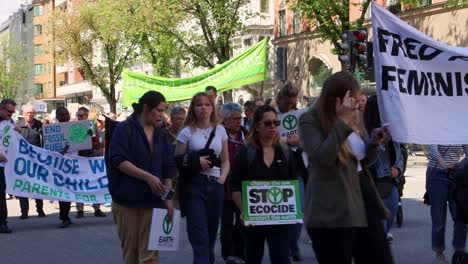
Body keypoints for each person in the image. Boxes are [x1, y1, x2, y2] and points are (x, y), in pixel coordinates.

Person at [299, 71, 393, 263]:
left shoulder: (354, 117)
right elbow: (322, 158)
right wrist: (342, 122)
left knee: (380, 257)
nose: (358, 105)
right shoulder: (310, 120)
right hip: (332, 205)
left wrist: (374, 143)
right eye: (354, 100)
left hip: (362, 196)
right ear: (339, 98)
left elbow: (361, 161)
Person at [108, 91, 176, 264]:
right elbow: (118, 160)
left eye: (163, 111)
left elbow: (168, 166)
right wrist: (147, 177)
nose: (162, 115)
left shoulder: (161, 133)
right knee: (131, 255)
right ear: (146, 108)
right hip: (127, 201)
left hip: (154, 201)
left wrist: (168, 199)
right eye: (159, 110)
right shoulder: (125, 128)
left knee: (150, 256)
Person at [231, 105, 296, 264]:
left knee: (281, 259)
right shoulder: (246, 154)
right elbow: (235, 187)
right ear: (257, 126)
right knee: (253, 258)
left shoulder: (286, 152)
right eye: (267, 123)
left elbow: (293, 185)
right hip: (253, 221)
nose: (273, 127)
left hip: (279, 221)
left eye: (276, 123)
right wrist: (244, 211)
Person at [174, 92, 229, 264]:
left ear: (212, 108)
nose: (203, 107)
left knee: (211, 233)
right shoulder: (186, 132)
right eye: (199, 104)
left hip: (215, 185)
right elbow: (176, 162)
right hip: (194, 186)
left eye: (207, 104)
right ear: (193, 108)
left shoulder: (220, 130)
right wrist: (194, 161)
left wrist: (222, 179)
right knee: (199, 235)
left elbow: (226, 160)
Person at [364, 95, 404, 241]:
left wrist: (398, 169)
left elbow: (400, 153)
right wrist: (378, 142)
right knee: (376, 232)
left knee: (388, 220)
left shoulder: (392, 130)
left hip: (389, 183)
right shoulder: (363, 132)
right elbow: (366, 159)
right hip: (371, 183)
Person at [275, 82, 307, 261]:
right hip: (277, 171)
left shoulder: (301, 115)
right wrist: (281, 141)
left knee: (298, 212)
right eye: (287, 103)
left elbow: (310, 139)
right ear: (279, 99)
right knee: (283, 213)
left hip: (297, 171)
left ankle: (292, 245)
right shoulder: (270, 116)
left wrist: (299, 141)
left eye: (293, 103)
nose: (291, 107)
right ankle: (286, 248)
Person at [426, 144, 468, 264]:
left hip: (456, 173)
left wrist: (460, 165)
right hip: (437, 174)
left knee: (461, 215)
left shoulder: (460, 130)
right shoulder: (436, 127)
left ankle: (459, 252)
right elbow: (432, 150)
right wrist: (445, 165)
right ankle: (439, 253)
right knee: (439, 217)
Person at [220, 103, 247, 263]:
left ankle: (241, 252)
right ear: (225, 120)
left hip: (243, 187)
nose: (239, 122)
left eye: (240, 118)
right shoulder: (218, 135)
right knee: (227, 223)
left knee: (242, 221)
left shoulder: (246, 135)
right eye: (235, 119)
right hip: (225, 187)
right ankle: (228, 254)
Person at [75, 107, 106, 218]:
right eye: (78, 115)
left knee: (94, 184)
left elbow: (97, 145)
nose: (79, 117)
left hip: (91, 158)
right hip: (78, 158)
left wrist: (91, 136)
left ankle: (97, 208)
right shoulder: (72, 127)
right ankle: (80, 209)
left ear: (87, 116)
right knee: (79, 184)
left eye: (82, 115)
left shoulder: (92, 127)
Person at [16, 103, 46, 219]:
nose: (30, 115)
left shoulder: (40, 125)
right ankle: (24, 212)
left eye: (32, 113)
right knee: (23, 186)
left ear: (35, 113)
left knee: (38, 186)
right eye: (28, 113)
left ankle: (40, 209)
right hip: (22, 161)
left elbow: (46, 140)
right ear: (23, 114)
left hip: (37, 161)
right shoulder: (18, 126)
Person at [55, 107, 74, 228]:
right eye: (62, 115)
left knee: (70, 190)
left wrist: (88, 136)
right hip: (60, 165)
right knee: (63, 191)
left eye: (66, 114)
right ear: (57, 117)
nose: (65, 116)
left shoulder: (76, 127)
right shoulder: (52, 130)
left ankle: (65, 215)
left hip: (74, 164)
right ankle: (64, 216)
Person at [0, 99, 17, 233]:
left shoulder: (10, 122)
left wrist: (17, 132)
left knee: (1, 193)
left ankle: (2, 222)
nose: (11, 114)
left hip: (5, 164)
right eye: (9, 111)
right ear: (1, 109)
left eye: (13, 112)